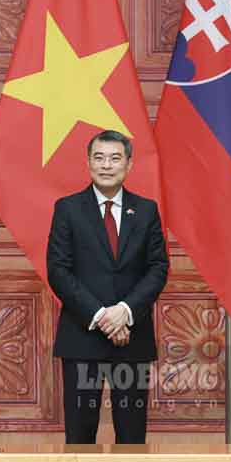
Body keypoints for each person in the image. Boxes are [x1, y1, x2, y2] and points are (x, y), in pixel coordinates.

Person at [47, 129, 168, 445]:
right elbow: (58, 271)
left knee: (132, 436)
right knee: (80, 436)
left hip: (132, 338)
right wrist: (102, 315)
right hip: (81, 337)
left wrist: (125, 312)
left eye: (115, 158)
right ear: (88, 163)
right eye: (98, 158)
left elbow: (158, 269)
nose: (106, 165)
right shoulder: (68, 209)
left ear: (128, 164)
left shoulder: (146, 210)